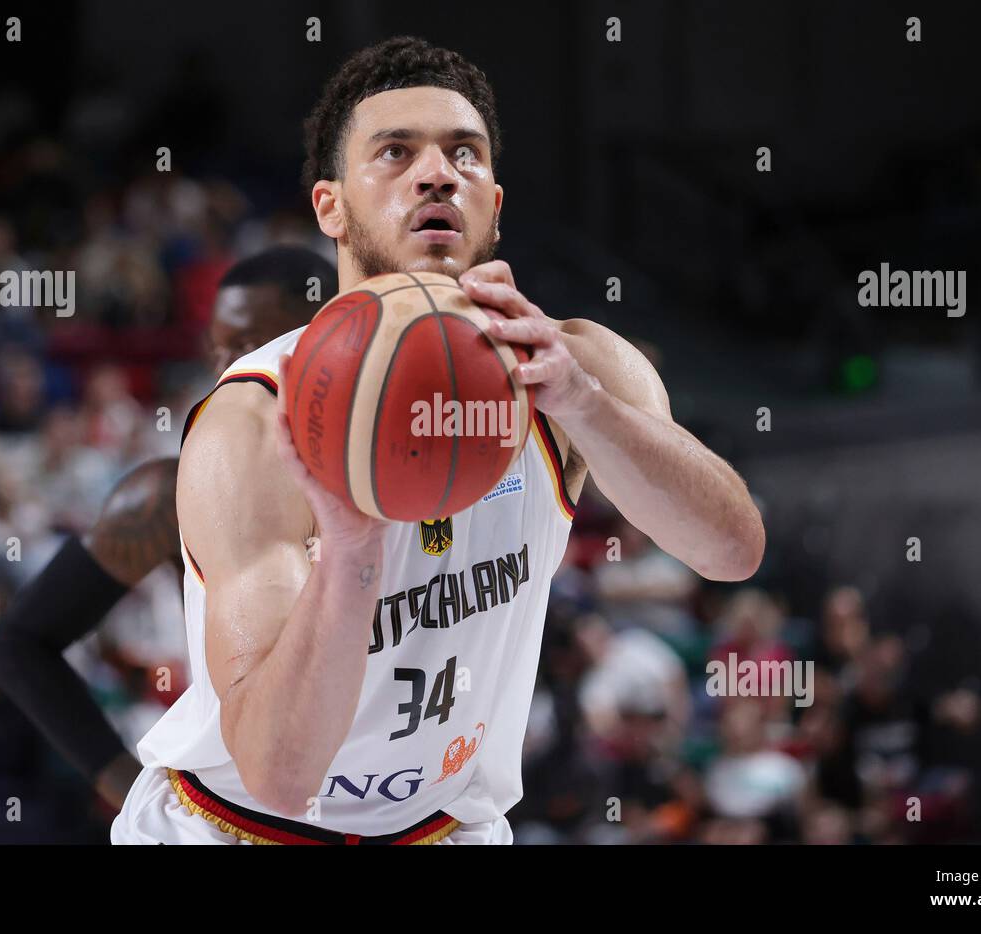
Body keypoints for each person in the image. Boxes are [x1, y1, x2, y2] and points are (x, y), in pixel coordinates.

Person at [112, 36, 765, 845]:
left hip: (443, 828)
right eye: (394, 152)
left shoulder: (573, 367)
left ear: (493, 201)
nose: (437, 173)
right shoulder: (256, 419)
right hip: (239, 828)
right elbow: (277, 774)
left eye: (466, 154)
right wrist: (353, 547)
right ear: (331, 206)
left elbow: (732, 552)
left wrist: (584, 404)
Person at [0, 246, 338, 808]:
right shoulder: (170, 492)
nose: (228, 368)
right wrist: (129, 790)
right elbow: (18, 646)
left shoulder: (403, 471)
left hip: (389, 794)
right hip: (243, 798)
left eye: (250, 347)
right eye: (220, 348)